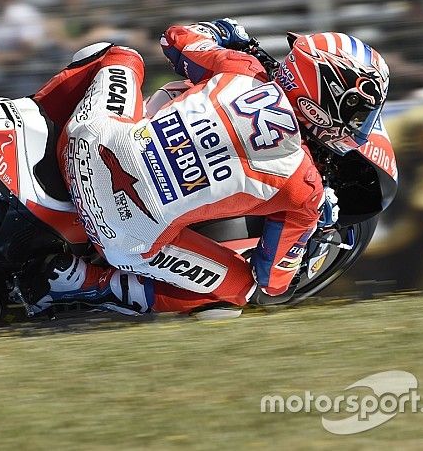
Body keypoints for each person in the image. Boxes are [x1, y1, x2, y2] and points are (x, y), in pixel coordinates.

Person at [27, 19, 389, 315]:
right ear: (326, 99)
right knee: (241, 289)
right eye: (359, 112)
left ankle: (28, 117)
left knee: (119, 55)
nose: (361, 125)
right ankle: (83, 283)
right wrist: (314, 225)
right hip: (119, 233)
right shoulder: (305, 189)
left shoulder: (242, 68)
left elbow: (174, 38)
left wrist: (225, 33)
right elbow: (273, 283)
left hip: (85, 145)